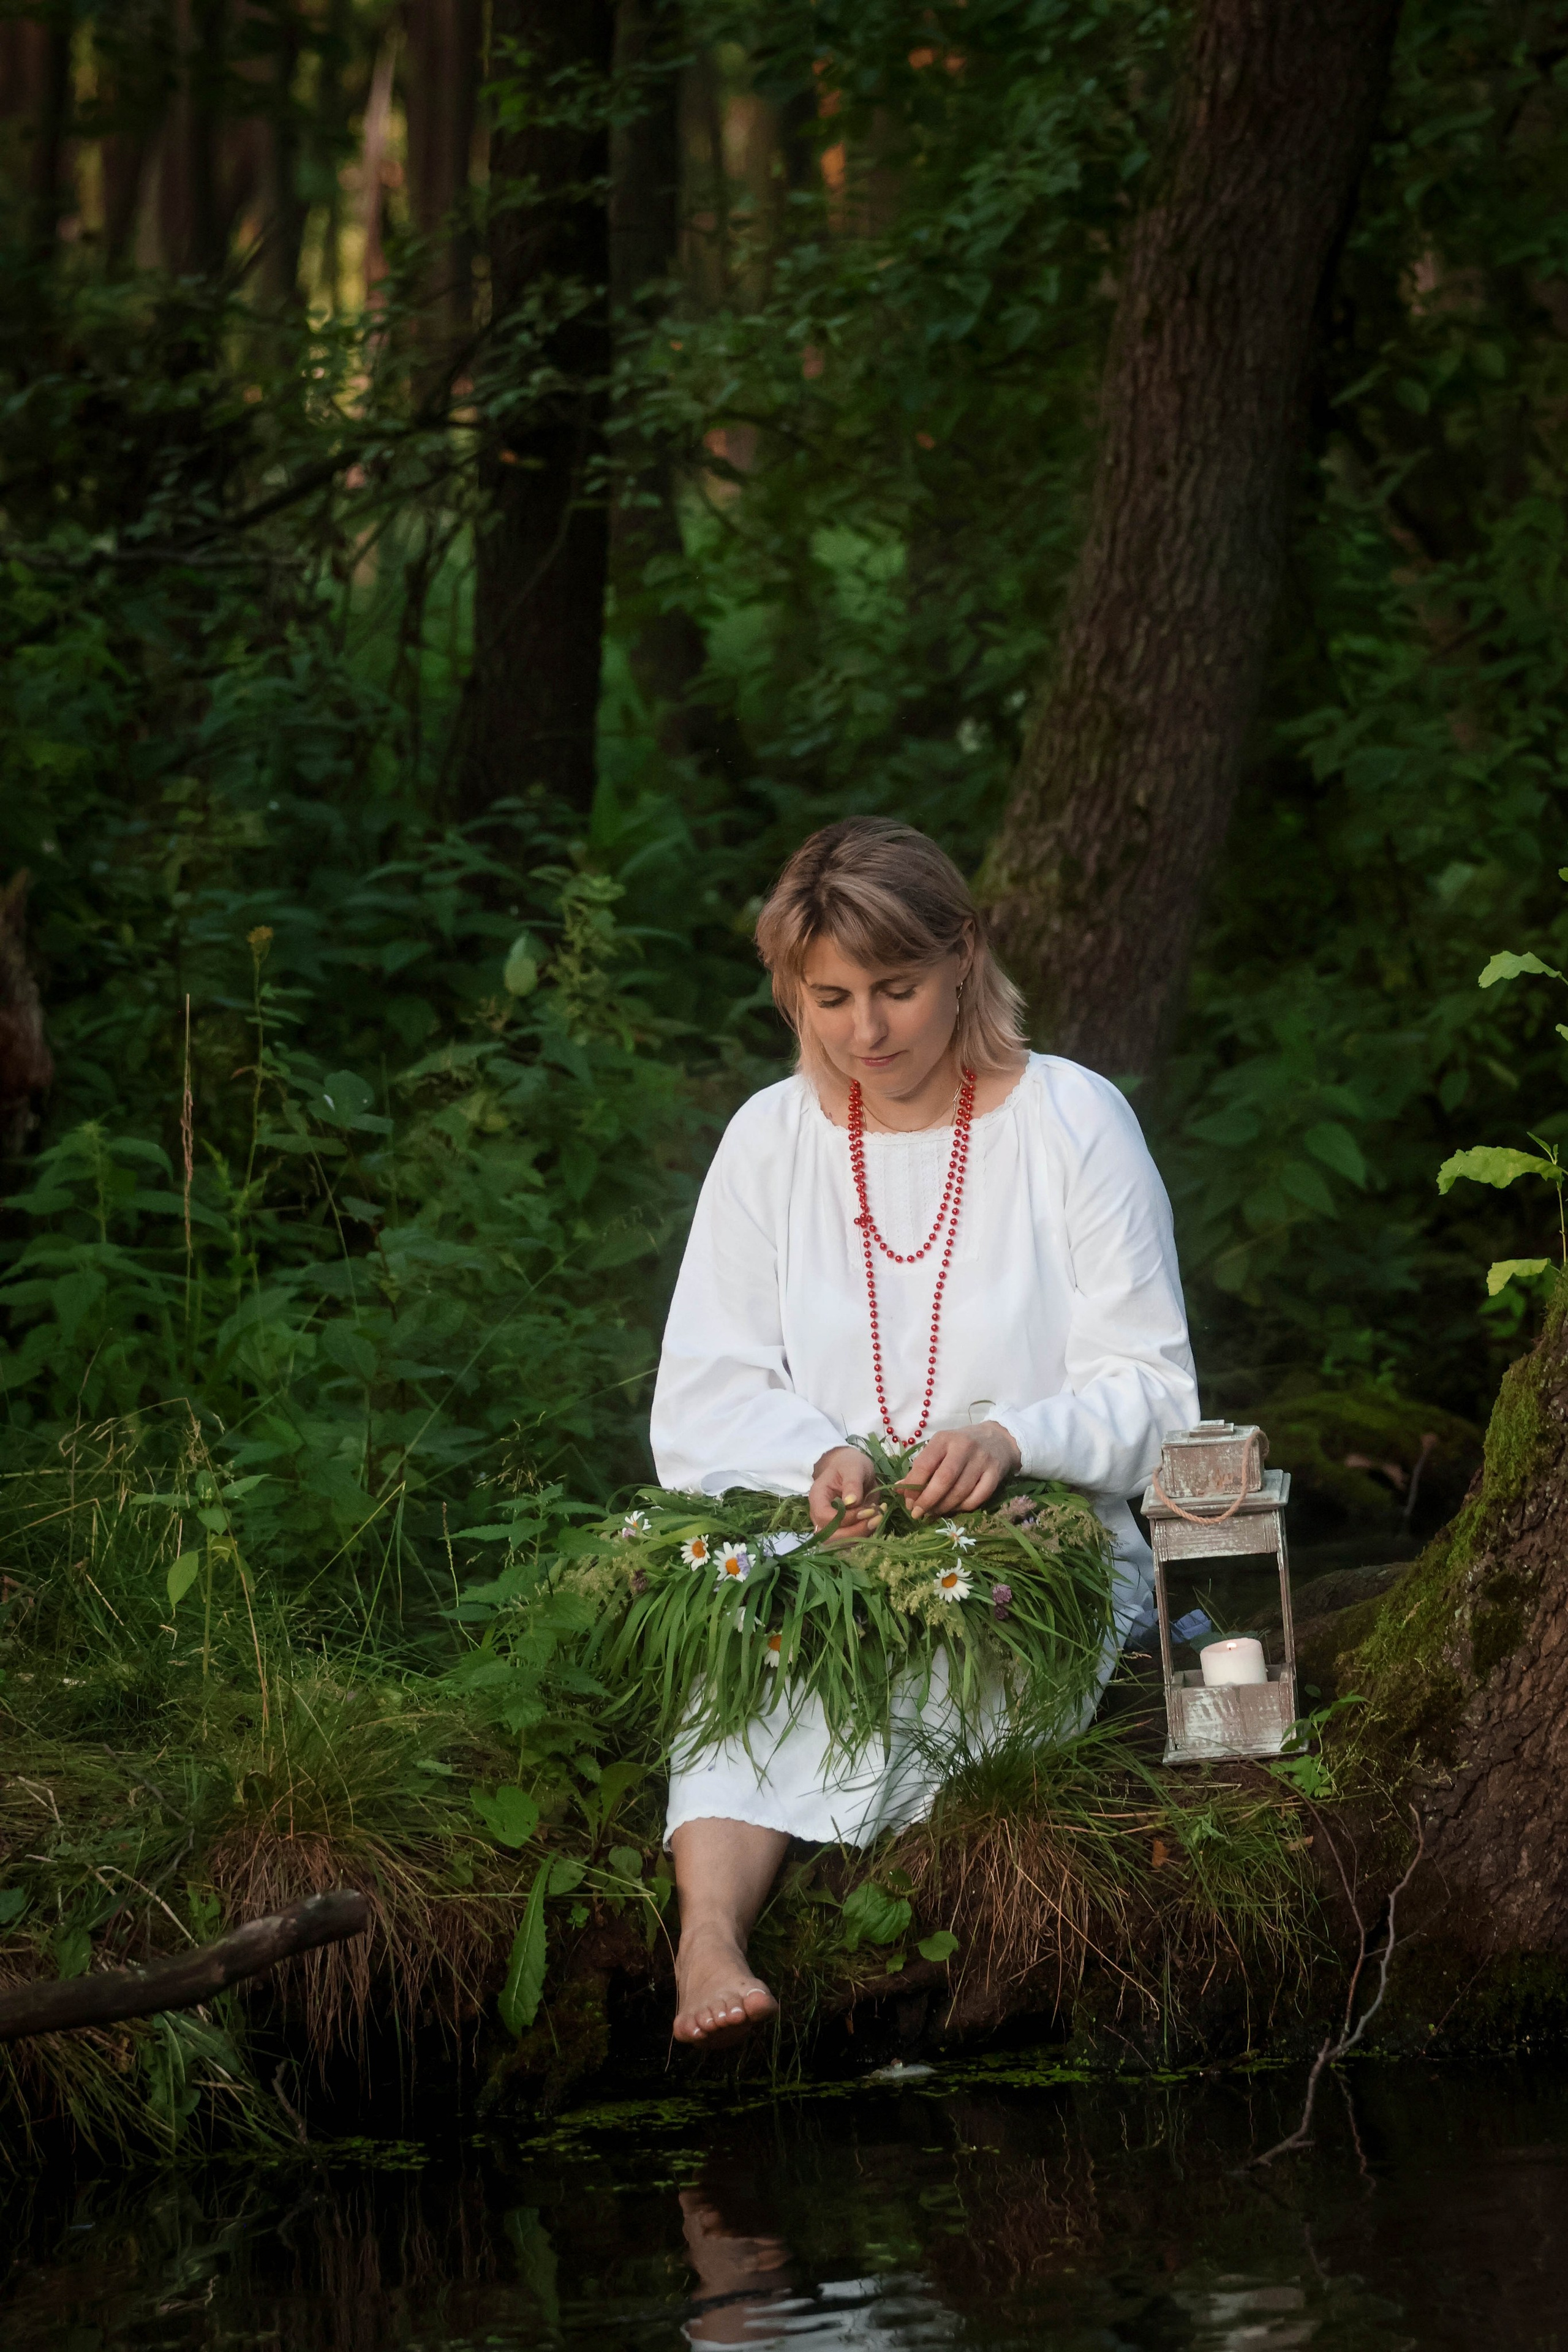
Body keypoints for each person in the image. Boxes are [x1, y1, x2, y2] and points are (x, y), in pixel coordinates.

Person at [650, 818, 1198, 2045]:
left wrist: (1013, 1440)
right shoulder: (770, 1139)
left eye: (895, 989)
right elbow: (702, 1384)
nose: (867, 1032)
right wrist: (817, 1463)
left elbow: (1157, 1394)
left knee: (969, 1645)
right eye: (831, 997)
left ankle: (925, 1935)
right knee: (751, 1642)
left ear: (965, 955)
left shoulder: (1071, 1120)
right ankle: (708, 1940)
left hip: (1028, 1526)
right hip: (825, 1529)